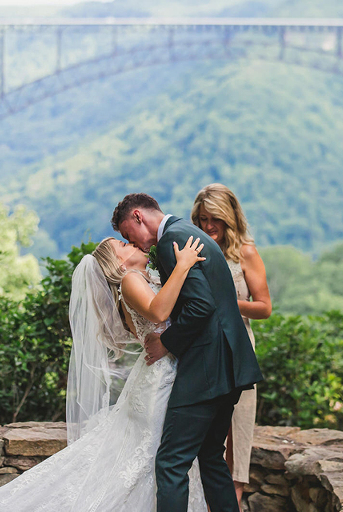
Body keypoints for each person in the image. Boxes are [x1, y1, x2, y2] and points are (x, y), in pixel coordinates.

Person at [0, 235, 208, 512]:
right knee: (150, 457)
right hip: (159, 380)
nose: (134, 245)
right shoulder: (130, 281)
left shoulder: (143, 278)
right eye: (124, 246)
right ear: (118, 262)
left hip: (158, 376)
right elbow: (160, 312)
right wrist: (183, 265)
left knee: (150, 458)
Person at [113, 193, 263, 512]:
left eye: (128, 234)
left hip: (206, 370)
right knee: (210, 457)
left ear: (138, 216)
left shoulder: (173, 242)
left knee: (170, 464)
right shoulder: (188, 233)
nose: (136, 244)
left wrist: (165, 342)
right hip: (231, 366)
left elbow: (200, 306)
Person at [192, 183, 272, 507]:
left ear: (230, 218)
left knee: (236, 445)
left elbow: (265, 307)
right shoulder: (192, 250)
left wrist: (228, 303)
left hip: (238, 354)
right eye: (201, 219)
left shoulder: (245, 253)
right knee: (204, 442)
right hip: (201, 356)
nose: (208, 226)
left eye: (215, 219)